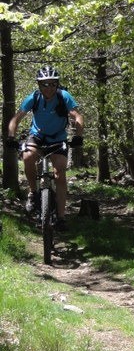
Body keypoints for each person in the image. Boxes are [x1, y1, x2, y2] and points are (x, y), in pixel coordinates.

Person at [5, 65, 84, 231]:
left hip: (58, 137)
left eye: (52, 84)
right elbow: (16, 118)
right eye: (44, 84)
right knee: (27, 157)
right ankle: (33, 193)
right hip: (37, 136)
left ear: (57, 84)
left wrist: (78, 135)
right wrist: (11, 137)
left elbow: (77, 116)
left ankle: (61, 217)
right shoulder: (33, 97)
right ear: (39, 85)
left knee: (60, 173)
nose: (48, 88)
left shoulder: (64, 96)